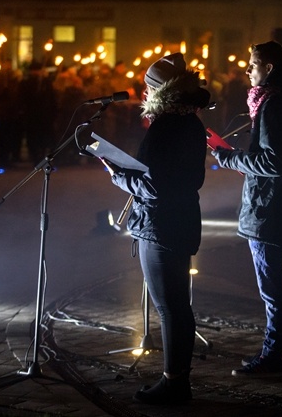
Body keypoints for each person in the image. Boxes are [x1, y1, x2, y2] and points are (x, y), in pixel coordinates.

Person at [99, 52, 210, 404]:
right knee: (178, 305)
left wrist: (119, 176)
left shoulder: (166, 126)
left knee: (171, 307)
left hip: (161, 225)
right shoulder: (190, 121)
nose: (144, 94)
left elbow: (156, 185)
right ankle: (178, 379)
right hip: (179, 221)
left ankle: (174, 383)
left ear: (159, 90)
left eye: (147, 87)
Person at [211, 41, 282, 375]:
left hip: (267, 210)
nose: (246, 70)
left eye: (252, 64)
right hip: (272, 205)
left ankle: (272, 355)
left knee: (271, 287)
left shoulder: (273, 105)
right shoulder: (275, 103)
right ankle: (275, 349)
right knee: (274, 285)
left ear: (269, 69)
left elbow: (273, 160)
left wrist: (228, 157)